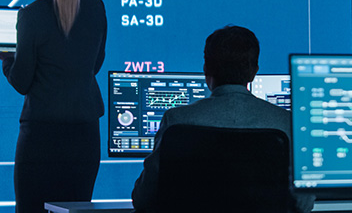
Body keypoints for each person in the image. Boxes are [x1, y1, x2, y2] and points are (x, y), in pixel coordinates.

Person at [131, 25, 315, 213]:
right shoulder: (286, 123)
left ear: (206, 68)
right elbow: (304, 204)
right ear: (254, 71)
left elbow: (143, 199)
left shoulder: (176, 121)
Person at [0, 0, 107, 213]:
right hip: (85, 137)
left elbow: (22, 82)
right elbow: (93, 66)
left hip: (42, 138)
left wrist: (7, 60)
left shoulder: (31, 15)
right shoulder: (96, 9)